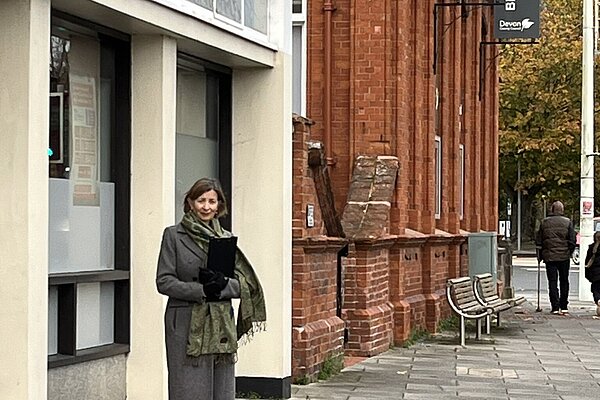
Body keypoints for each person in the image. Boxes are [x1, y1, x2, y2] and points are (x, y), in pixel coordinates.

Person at [156, 178, 266, 400]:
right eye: (201, 200)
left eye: (212, 201)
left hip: (220, 325)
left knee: (221, 391)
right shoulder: (173, 236)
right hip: (185, 322)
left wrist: (223, 286)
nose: (206, 207)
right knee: (187, 389)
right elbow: (164, 281)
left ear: (219, 205)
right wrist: (202, 290)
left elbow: (245, 285)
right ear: (190, 202)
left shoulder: (225, 239)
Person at [535, 200, 576, 315]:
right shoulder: (567, 222)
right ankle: (564, 306)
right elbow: (572, 240)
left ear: (551, 210)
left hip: (550, 257)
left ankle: (555, 306)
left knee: (552, 281)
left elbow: (539, 240)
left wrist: (540, 255)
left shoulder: (545, 222)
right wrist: (569, 252)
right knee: (564, 281)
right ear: (562, 210)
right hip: (564, 257)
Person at [584, 231, 600, 316]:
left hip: (595, 273)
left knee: (595, 289)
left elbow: (587, 263)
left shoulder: (592, 248)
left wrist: (588, 275)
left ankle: (598, 300)